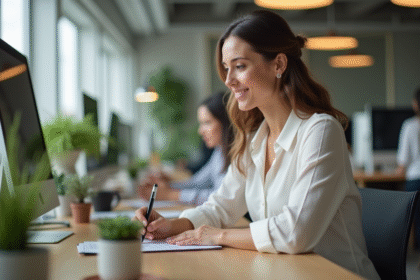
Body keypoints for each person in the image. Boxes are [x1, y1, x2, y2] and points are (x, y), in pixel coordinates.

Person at [134, 10, 379, 279]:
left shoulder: (320, 132)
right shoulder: (254, 139)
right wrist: (172, 226)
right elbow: (222, 207)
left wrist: (220, 235)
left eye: (239, 66)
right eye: (227, 69)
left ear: (278, 65)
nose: (228, 81)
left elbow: (296, 232)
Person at [138, 92, 234, 206]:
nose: (200, 131)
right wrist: (165, 186)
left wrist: (169, 195)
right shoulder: (219, 152)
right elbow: (197, 182)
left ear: (227, 122)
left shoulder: (237, 154)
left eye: (207, 123)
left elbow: (223, 198)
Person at [396, 87, 420, 250]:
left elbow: (403, 161)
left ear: (415, 104)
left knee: (418, 221)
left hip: (415, 180)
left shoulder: (410, 126)